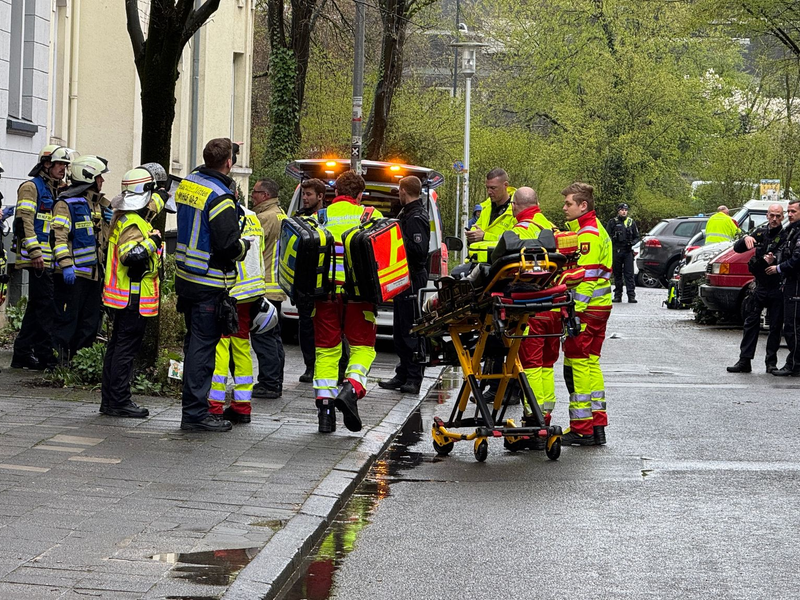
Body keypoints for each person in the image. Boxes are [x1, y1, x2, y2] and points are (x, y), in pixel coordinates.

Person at [174, 137, 249, 432]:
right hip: (208, 281)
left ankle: (193, 410)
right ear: (228, 162)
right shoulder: (220, 196)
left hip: (186, 278)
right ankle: (195, 414)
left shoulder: (190, 182)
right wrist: (245, 246)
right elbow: (228, 245)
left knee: (194, 344)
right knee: (202, 352)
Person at [313, 170, 383, 434]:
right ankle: (351, 388)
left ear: (335, 192)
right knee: (363, 348)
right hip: (359, 296)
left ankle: (326, 413)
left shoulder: (320, 217)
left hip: (326, 295)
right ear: (360, 195)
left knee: (326, 351)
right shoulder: (370, 217)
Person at [100, 168, 167, 418]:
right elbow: (130, 257)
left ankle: (110, 400)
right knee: (125, 352)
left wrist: (162, 190)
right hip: (133, 299)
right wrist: (154, 242)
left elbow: (153, 205)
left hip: (122, 297)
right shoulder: (134, 224)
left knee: (117, 348)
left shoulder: (125, 216)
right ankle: (119, 401)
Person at [11, 145, 74, 370]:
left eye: (66, 166)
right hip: (36, 257)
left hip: (49, 259)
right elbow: (25, 221)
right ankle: (45, 354)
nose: (63, 169)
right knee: (45, 306)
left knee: (38, 305)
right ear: (46, 164)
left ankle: (22, 353)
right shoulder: (31, 187)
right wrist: (36, 252)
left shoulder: (55, 189)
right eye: (59, 165)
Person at [561, 182, 613, 446]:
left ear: (583, 205)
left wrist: (574, 313)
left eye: (568, 203)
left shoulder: (588, 234)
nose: (564, 208)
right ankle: (597, 423)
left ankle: (582, 428)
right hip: (599, 308)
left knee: (578, 364)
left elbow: (587, 278)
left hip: (587, 310)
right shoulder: (596, 230)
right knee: (591, 363)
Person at [209, 201, 268, 424]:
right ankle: (242, 406)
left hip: (231, 290)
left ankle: (214, 405)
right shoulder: (252, 216)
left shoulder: (226, 214)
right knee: (242, 345)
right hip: (252, 290)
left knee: (221, 345)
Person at [51, 154, 110, 361]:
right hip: (73, 276)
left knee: (90, 322)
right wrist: (66, 265)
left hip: (93, 275)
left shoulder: (97, 204)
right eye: (99, 177)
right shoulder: (66, 204)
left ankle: (79, 361)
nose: (102, 181)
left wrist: (109, 221)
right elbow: (59, 237)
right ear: (89, 177)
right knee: (67, 320)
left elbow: (101, 239)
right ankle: (60, 362)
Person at [511, 187, 559, 427]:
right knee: (547, 365)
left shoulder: (520, 230)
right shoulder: (550, 226)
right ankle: (545, 416)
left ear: (516, 205)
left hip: (532, 307)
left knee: (531, 365)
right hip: (555, 307)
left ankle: (533, 419)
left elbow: (509, 266)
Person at [378, 176, 430, 395]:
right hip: (402, 278)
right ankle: (402, 373)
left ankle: (414, 377)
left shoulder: (417, 216)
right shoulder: (406, 213)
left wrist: (396, 235)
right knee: (400, 330)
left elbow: (419, 252)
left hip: (413, 278)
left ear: (403, 191)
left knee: (411, 330)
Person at [727, 204, 786, 374]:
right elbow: (738, 249)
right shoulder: (760, 233)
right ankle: (744, 361)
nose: (774, 219)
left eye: (778, 216)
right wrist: (744, 239)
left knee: (775, 326)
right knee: (750, 323)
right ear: (767, 216)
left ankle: (771, 363)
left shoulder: (785, 235)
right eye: (772, 215)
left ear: (782, 217)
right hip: (759, 286)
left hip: (777, 286)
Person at [250, 178, 286, 400]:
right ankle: (275, 381)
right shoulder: (281, 214)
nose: (251, 195)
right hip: (277, 286)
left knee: (263, 338)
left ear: (264, 195)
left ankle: (269, 383)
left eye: (255, 192)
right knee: (274, 337)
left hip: (264, 287)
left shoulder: (264, 218)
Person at [295, 178, 327, 382]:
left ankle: (333, 366)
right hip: (304, 282)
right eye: (303, 194)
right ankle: (310, 366)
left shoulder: (326, 218)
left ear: (320, 197)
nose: (305, 198)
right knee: (306, 327)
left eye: (309, 195)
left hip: (324, 281)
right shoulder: (298, 218)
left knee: (327, 327)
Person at [765, 199, 800, 376]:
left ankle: (794, 364)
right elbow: (785, 251)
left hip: (796, 284)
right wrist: (775, 260)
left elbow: (797, 259)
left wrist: (778, 268)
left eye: (793, 211)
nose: (790, 214)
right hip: (789, 283)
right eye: (789, 211)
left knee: (792, 326)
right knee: (791, 326)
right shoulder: (791, 230)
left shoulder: (798, 232)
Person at [465, 168, 517, 256]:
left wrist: (484, 236)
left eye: (493, 188)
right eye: (487, 188)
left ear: (505, 185)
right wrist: (472, 236)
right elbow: (477, 228)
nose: (489, 192)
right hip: (481, 261)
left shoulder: (516, 209)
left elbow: (514, 241)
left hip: (505, 262)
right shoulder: (486, 207)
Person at [606, 202, 639, 303]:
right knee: (617, 274)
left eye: (625, 210)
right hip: (616, 251)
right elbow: (606, 237)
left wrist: (632, 243)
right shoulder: (612, 222)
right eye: (622, 210)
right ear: (618, 211)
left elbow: (637, 237)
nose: (624, 212)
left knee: (629, 274)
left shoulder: (631, 222)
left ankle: (631, 296)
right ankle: (617, 295)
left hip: (628, 251)